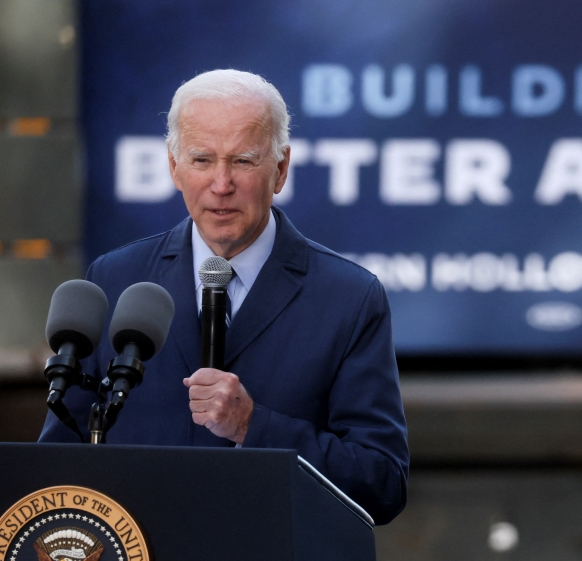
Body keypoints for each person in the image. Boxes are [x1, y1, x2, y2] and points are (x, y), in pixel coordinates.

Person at [39, 70, 409, 525]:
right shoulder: (116, 279)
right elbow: (58, 464)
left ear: (281, 168)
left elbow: (382, 483)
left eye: (242, 161)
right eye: (201, 160)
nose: (221, 184)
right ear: (174, 167)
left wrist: (254, 426)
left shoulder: (349, 298)